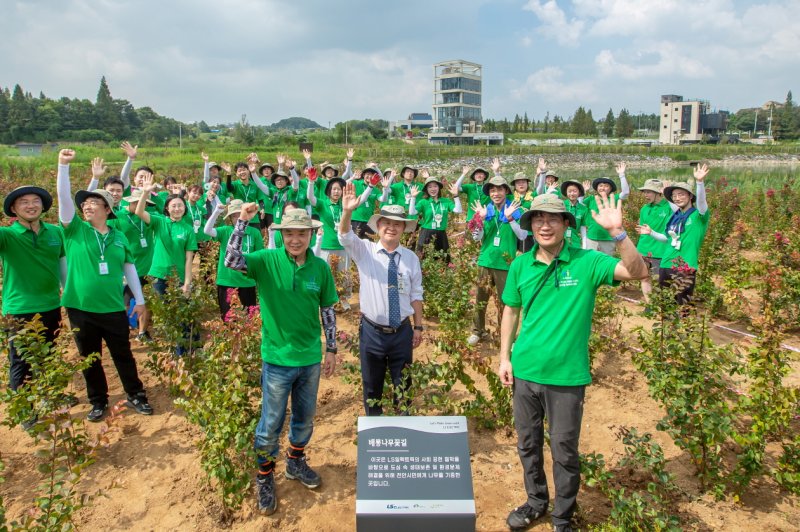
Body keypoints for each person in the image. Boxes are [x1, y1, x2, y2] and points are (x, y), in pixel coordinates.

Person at [498, 193, 648, 532]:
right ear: (531, 225)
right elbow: (510, 310)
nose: (545, 225)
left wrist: (619, 234)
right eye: (538, 219)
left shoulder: (587, 262)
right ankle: (536, 501)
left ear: (567, 224)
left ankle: (563, 516)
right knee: (528, 443)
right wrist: (504, 357)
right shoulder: (520, 264)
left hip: (566, 377)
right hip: (524, 371)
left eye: (553, 219)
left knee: (564, 449)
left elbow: (636, 272)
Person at [224, 204, 338, 515]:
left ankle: (295, 463)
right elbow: (231, 260)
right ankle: (264, 477)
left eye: (302, 233)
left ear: (311, 234)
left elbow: (327, 310)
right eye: (289, 232)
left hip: (310, 358)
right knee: (271, 422)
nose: (296, 238)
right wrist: (242, 223)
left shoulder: (320, 268)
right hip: (276, 359)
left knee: (304, 417)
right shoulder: (266, 260)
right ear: (281, 234)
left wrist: (332, 348)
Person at [55, 149, 152, 422]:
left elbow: (129, 268)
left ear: (107, 209)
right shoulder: (74, 229)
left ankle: (136, 395)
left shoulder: (119, 237)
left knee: (123, 354)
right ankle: (98, 401)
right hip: (80, 308)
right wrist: (63, 166)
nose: (86, 206)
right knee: (90, 358)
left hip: (112, 307)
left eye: (93, 203)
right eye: (84, 203)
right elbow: (64, 199)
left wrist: (140, 300)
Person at [338, 184, 423, 416]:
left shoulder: (411, 258)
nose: (392, 228)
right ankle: (375, 431)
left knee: (403, 385)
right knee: (372, 386)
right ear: (379, 226)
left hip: (402, 331)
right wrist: (347, 212)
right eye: (387, 223)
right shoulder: (364, 251)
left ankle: (403, 427)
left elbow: (416, 294)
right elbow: (345, 236)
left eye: (397, 224)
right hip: (372, 332)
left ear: (404, 228)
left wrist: (418, 326)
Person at [1, 184, 65, 406]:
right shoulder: (7, 235)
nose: (31, 206)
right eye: (24, 202)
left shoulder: (55, 232)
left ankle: (48, 396)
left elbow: (62, 264)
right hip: (19, 309)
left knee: (48, 355)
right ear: (14, 209)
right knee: (21, 360)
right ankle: (26, 408)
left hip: (51, 305)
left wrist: (67, 292)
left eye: (35, 201)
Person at [466, 176, 527, 346]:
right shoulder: (487, 210)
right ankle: (477, 331)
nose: (496, 193)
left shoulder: (515, 209)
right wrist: (480, 219)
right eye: (492, 190)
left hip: (505, 264)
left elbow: (522, 235)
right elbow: (477, 237)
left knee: (505, 301)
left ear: (506, 191)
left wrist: (510, 219)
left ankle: (505, 334)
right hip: (485, 261)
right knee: (480, 298)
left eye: (500, 189)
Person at [638, 164, 710, 305]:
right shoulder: (675, 217)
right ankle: (667, 327)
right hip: (666, 263)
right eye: (674, 196)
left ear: (690, 196)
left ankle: (683, 327)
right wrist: (651, 233)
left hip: (685, 266)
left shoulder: (698, 216)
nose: (677, 198)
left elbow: (702, 202)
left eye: (681, 194)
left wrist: (700, 182)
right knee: (666, 303)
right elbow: (667, 238)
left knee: (683, 304)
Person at [204, 199, 264, 319]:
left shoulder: (255, 233)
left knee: (249, 318)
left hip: (247, 282)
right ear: (230, 218)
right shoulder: (226, 231)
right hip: (227, 281)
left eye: (239, 214)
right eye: (234, 215)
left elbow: (259, 256)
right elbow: (207, 230)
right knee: (228, 320)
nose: (237, 218)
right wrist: (216, 212)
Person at [117, 187, 158, 342]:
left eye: (145, 203)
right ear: (131, 202)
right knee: (125, 303)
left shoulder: (148, 216)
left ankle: (142, 332)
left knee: (147, 301)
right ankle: (124, 331)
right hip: (128, 267)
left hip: (149, 266)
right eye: (139, 202)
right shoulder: (119, 217)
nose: (143, 206)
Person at [633, 179, 673, 303]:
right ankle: (650, 305)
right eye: (645, 192)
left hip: (660, 251)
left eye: (649, 192)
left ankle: (663, 305)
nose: (646, 195)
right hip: (643, 249)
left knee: (661, 281)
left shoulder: (669, 208)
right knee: (644, 278)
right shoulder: (644, 208)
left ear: (659, 193)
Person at [408, 174, 462, 261]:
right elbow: (412, 212)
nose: (433, 189)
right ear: (426, 189)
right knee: (423, 259)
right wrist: (413, 197)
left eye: (435, 186)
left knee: (443, 260)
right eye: (429, 187)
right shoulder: (423, 202)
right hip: (426, 233)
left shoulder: (445, 201)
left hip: (441, 234)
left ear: (439, 188)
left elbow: (458, 210)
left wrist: (456, 196)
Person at [581, 162, 630, 255]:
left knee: (607, 264)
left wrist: (622, 175)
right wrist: (583, 191)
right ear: (596, 188)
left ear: (610, 189)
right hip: (591, 237)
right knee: (590, 263)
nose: (603, 188)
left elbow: (626, 192)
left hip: (608, 238)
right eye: (600, 186)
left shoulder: (614, 198)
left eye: (606, 186)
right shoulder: (591, 199)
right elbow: (578, 204)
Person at [560, 180, 588, 249]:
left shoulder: (583, 209)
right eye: (569, 191)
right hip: (560, 241)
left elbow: (583, 227)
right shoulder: (561, 205)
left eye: (575, 191)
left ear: (579, 192)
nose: (572, 194)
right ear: (566, 192)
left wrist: (584, 245)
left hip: (575, 242)